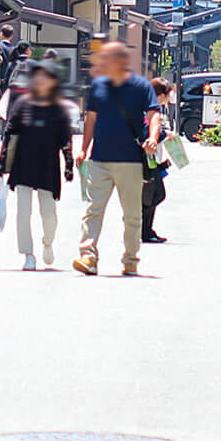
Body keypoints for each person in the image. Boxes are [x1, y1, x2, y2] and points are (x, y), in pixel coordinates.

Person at [73, 42, 160, 277]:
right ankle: (88, 255)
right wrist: (83, 149)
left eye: (106, 59)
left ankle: (130, 258)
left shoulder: (140, 86)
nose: (101, 63)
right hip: (100, 158)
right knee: (93, 210)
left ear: (121, 61)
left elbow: (154, 114)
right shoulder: (99, 85)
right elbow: (91, 119)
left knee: (132, 213)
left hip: (130, 160)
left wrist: (152, 137)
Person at [0, 60, 76, 270]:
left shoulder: (58, 108)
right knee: (23, 212)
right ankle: (28, 254)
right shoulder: (23, 103)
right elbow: (10, 132)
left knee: (49, 214)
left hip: (47, 165)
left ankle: (47, 242)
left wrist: (69, 162)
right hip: (23, 164)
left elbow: (65, 138)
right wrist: (2, 162)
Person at [142, 76, 177, 244]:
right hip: (146, 158)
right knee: (155, 194)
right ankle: (143, 228)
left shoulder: (155, 109)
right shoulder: (147, 109)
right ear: (160, 95)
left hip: (153, 158)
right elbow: (144, 132)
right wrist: (164, 135)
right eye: (167, 95)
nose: (169, 99)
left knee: (152, 194)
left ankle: (146, 229)